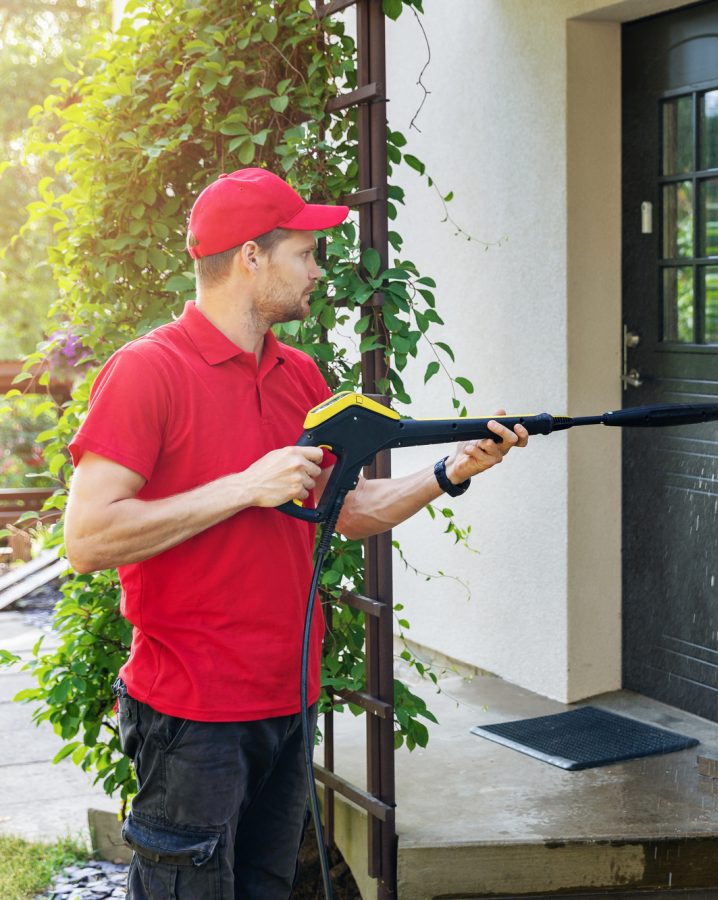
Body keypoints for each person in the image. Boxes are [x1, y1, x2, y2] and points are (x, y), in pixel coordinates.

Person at [63, 167, 529, 899]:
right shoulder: (147, 372)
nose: (318, 270)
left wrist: (450, 471)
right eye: (306, 254)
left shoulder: (300, 375)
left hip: (287, 700)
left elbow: (347, 508)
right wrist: (245, 487)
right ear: (251, 256)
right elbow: (88, 537)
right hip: (192, 716)